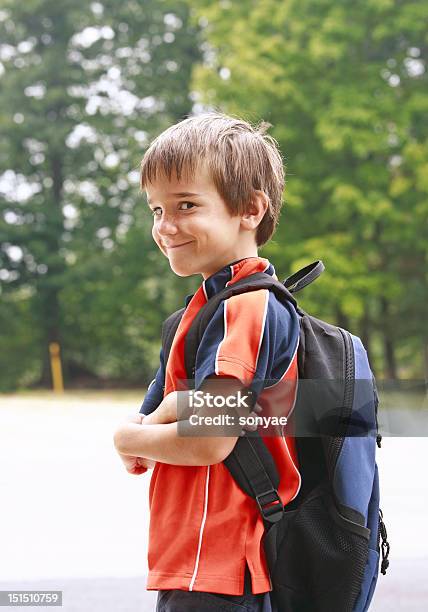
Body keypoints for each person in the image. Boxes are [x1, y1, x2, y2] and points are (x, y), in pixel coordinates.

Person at [113, 113, 301, 612]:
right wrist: (166, 413)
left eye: (186, 205)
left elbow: (211, 439)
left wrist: (128, 436)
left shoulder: (246, 306)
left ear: (250, 209)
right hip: (195, 563)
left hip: (221, 566)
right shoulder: (198, 313)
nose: (165, 226)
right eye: (156, 210)